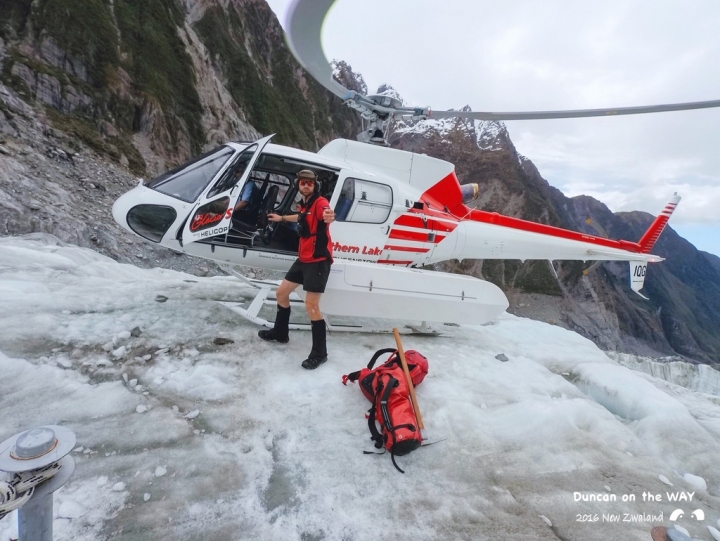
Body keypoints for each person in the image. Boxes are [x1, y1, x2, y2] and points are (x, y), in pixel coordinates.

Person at [259, 169, 335, 370]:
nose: (306, 185)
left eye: (310, 183)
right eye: (303, 183)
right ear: (298, 185)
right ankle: (280, 333)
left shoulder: (320, 203)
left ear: (315, 185)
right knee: (281, 293)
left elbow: (326, 214)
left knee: (311, 306)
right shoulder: (305, 205)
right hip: (303, 259)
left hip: (318, 260)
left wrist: (329, 216)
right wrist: (282, 218)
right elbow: (301, 217)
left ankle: (320, 354)